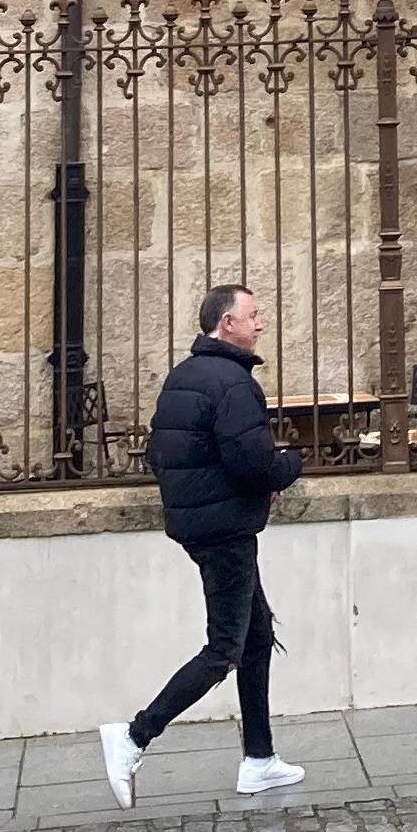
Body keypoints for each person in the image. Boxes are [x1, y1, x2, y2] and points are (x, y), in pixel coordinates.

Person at [100, 281, 306, 804]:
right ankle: (134, 736)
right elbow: (252, 463)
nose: (260, 323)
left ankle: (259, 760)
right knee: (223, 650)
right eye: (253, 315)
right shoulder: (233, 383)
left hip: (201, 525)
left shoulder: (183, 376)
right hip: (226, 530)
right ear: (226, 324)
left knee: (257, 637)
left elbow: (165, 454)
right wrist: (290, 465)